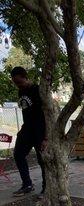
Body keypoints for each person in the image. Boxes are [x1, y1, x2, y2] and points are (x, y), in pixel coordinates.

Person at [11, 67, 46, 197]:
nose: (18, 85)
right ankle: (27, 184)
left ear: (26, 77)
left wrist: (46, 137)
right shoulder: (21, 92)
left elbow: (46, 114)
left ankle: (46, 188)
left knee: (42, 160)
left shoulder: (37, 90)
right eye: (15, 83)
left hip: (40, 130)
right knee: (18, 154)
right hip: (27, 129)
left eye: (19, 82)